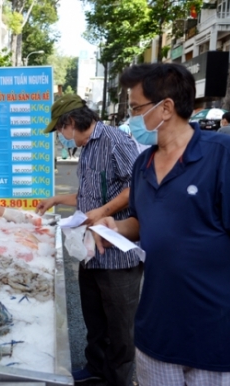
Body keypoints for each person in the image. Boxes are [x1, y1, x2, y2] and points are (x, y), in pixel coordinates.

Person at [93, 63, 230, 384]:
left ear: (165, 108)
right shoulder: (143, 164)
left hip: (217, 332)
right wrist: (115, 227)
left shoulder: (224, 155)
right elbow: (140, 221)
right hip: (157, 331)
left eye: (136, 108)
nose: (132, 119)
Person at [35, 95, 142, 385]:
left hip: (118, 250)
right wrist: (57, 199)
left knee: (120, 325)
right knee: (94, 318)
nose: (61, 137)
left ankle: (117, 378)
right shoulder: (85, 148)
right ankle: (96, 368)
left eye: (59, 130)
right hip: (91, 249)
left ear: (70, 123)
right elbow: (90, 194)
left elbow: (138, 187)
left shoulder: (115, 141)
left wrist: (103, 212)